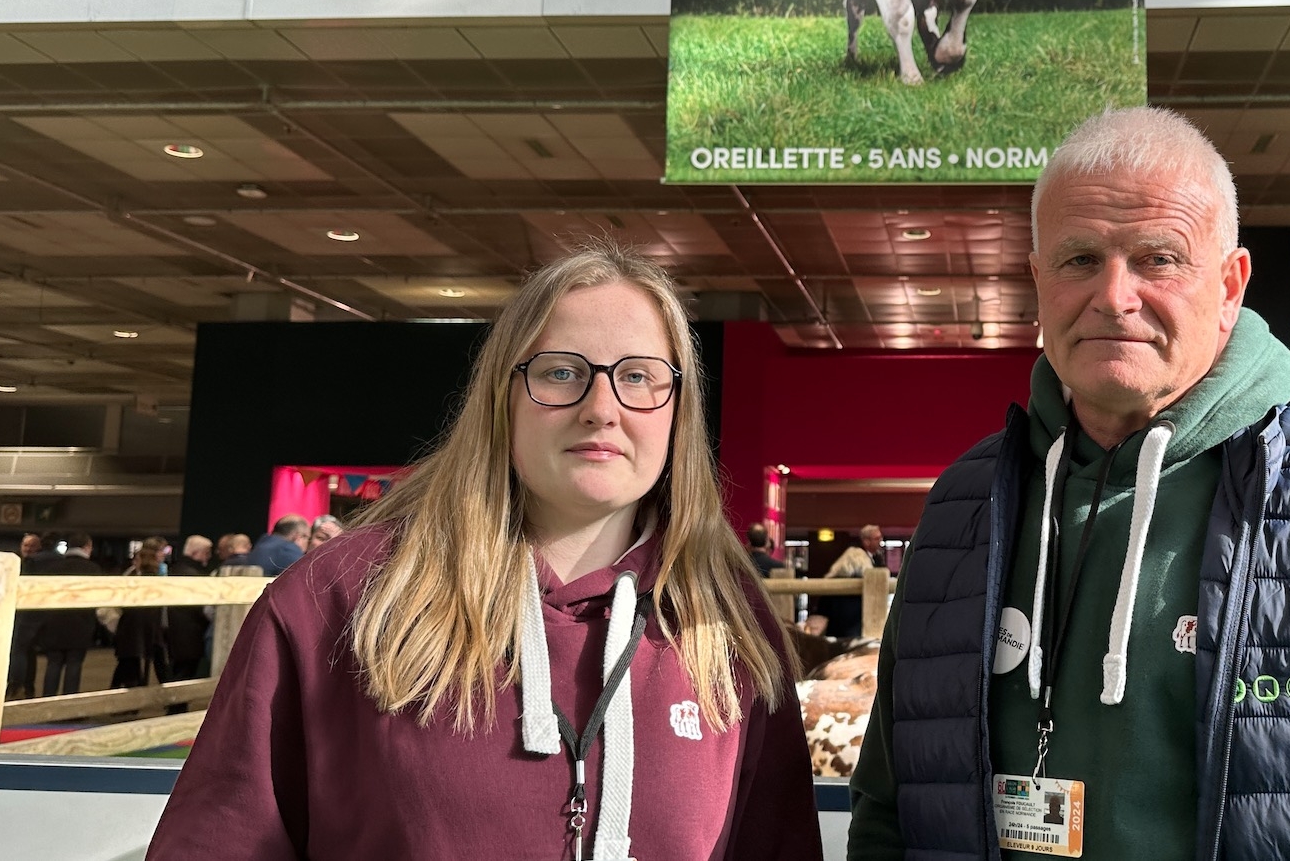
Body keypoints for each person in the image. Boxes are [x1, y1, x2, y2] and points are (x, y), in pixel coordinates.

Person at [847, 108, 1290, 860]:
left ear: (1232, 284)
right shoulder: (961, 515)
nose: (1114, 296)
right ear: (1037, 281)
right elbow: (890, 809)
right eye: (1080, 260)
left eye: (1158, 258)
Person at [149, 242, 819, 861]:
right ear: (502, 395)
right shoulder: (341, 604)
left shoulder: (729, 631)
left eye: (639, 377)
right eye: (562, 372)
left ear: (679, 408)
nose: (602, 406)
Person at [33, 532, 101, 697]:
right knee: (74, 665)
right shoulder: (93, 569)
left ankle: (47, 703)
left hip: (53, 624)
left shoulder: (52, 568)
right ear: (87, 547)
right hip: (80, 625)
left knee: (53, 664)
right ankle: (69, 707)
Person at [112, 537, 171, 690]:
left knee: (135, 660)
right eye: (161, 551)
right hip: (144, 627)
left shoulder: (152, 574)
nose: (164, 554)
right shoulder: (136, 575)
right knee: (133, 661)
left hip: (143, 627)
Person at [5, 533, 48, 700]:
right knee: (29, 654)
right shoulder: (24, 563)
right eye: (25, 546)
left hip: (26, 616)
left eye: (32, 546)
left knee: (19, 652)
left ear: (39, 548)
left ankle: (15, 686)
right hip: (31, 616)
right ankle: (28, 687)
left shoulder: (30, 565)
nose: (28, 549)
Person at [164, 537, 213, 682]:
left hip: (175, 634)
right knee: (184, 675)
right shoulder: (195, 575)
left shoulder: (175, 569)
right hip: (190, 636)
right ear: (196, 552)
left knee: (177, 674)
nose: (209, 557)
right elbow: (203, 608)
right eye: (206, 552)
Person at [811, 546, 873, 642]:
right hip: (863, 640)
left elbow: (821, 616)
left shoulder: (830, 585)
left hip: (834, 642)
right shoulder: (871, 586)